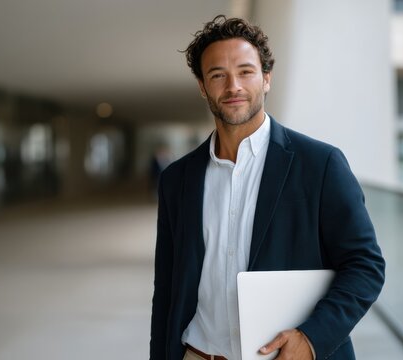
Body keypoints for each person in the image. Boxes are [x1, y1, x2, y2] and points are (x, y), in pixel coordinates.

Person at [149, 15, 385, 360]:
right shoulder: (176, 180)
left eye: (245, 71)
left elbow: (365, 265)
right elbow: (167, 289)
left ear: (266, 78)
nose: (233, 87)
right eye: (218, 75)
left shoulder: (321, 165)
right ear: (202, 86)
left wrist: (312, 337)